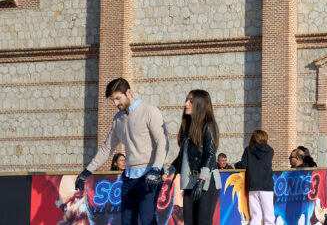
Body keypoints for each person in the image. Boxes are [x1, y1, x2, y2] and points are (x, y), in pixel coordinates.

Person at [73, 77, 168, 225]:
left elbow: (162, 142)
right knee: (127, 222)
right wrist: (86, 172)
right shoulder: (118, 119)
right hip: (129, 178)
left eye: (118, 98)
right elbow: (107, 148)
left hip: (149, 176)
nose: (116, 103)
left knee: (147, 219)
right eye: (113, 100)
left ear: (128, 92)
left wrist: (156, 169)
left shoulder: (150, 111)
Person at [167, 89, 222, 225]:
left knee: (203, 221)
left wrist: (201, 179)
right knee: (190, 221)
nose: (186, 104)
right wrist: (168, 173)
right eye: (187, 100)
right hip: (190, 181)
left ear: (200, 104)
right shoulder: (188, 128)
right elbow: (182, 157)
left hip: (206, 182)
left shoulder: (208, 125)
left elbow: (210, 153)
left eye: (191, 101)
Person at [238, 130, 275, 225]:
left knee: (255, 216)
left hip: (253, 185)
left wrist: (236, 165)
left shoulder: (248, 149)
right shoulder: (270, 151)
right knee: (269, 216)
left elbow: (243, 165)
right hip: (267, 186)